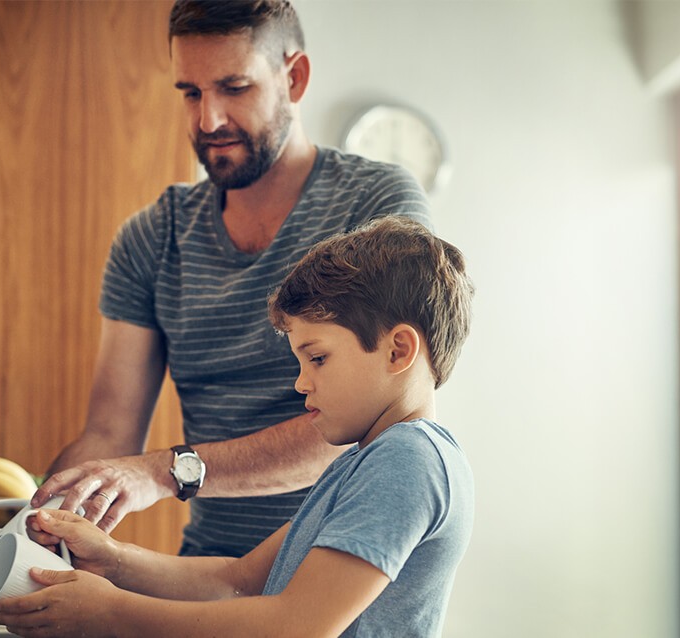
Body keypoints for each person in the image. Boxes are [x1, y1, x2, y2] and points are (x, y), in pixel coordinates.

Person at [26, 0, 432, 558]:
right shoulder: (151, 238)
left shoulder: (377, 206)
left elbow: (375, 417)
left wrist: (170, 472)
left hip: (348, 580)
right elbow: (110, 436)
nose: (208, 120)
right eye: (190, 92)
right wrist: (34, 524)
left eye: (234, 87)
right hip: (206, 581)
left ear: (294, 77)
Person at [0, 215, 475, 637]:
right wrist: (111, 560)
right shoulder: (363, 464)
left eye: (318, 358)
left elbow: (294, 627)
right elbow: (236, 580)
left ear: (398, 350)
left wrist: (114, 613)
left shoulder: (409, 461)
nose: (301, 383)